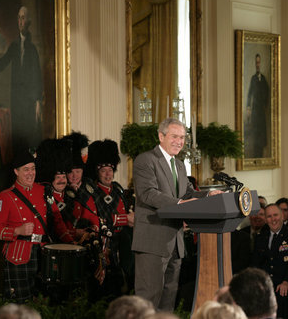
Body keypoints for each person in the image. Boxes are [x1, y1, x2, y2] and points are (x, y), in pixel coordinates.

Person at [131, 118, 221, 311]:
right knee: (148, 301)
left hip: (175, 242)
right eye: (174, 136)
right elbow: (148, 193)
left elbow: (187, 193)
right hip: (152, 241)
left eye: (182, 138)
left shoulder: (179, 165)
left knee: (167, 301)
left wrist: (208, 195)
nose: (179, 142)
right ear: (161, 136)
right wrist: (180, 204)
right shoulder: (146, 160)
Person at [0, 150, 67, 302]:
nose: (31, 173)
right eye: (26, 169)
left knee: (46, 301)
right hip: (19, 255)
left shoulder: (44, 191)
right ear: (16, 172)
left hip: (45, 253)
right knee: (21, 303)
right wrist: (17, 230)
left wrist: (72, 241)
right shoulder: (5, 196)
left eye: (33, 168)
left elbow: (58, 221)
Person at [0, 6, 43, 154]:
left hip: (29, 100)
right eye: (19, 18)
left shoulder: (32, 49)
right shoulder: (14, 45)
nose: (21, 21)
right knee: (16, 137)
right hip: (16, 98)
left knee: (29, 135)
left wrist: (38, 101)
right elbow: (5, 60)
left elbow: (37, 76)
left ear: (29, 22)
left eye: (23, 18)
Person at [79, 139, 135, 298]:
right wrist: (126, 219)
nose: (108, 174)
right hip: (102, 246)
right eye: (103, 170)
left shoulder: (117, 188)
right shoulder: (90, 190)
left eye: (110, 169)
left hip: (121, 246)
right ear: (97, 171)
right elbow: (98, 218)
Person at [252, 204, 288, 319]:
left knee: (282, 295)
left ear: (282, 216)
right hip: (266, 283)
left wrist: (287, 281)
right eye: (269, 216)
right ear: (265, 219)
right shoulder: (260, 237)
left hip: (285, 283)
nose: (273, 219)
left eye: (275, 215)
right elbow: (256, 264)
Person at [245, 53, 270, 158]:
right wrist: (248, 107)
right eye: (256, 63)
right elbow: (249, 94)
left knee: (262, 136)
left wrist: (266, 105)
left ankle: (261, 155)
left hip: (261, 112)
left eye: (259, 62)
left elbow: (268, 93)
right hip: (255, 112)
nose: (258, 65)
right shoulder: (253, 78)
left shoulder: (263, 79)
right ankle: (256, 154)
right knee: (255, 136)